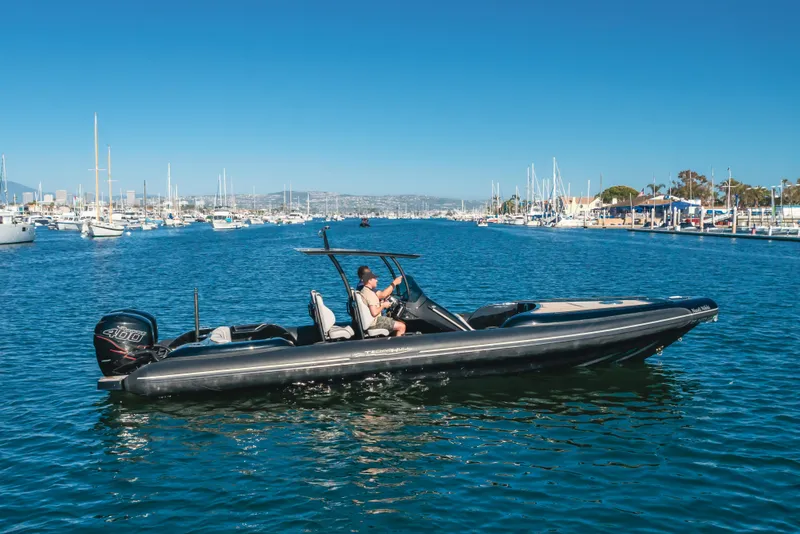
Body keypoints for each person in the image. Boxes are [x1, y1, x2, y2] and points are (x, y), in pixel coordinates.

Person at [359, 271, 406, 336]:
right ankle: (398, 345)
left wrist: (381, 303)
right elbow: (374, 312)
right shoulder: (370, 294)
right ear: (369, 280)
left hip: (372, 321)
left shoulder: (364, 290)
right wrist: (383, 305)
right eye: (375, 279)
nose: (377, 281)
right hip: (375, 322)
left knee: (394, 322)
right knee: (402, 326)